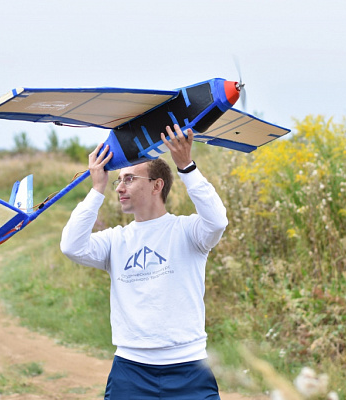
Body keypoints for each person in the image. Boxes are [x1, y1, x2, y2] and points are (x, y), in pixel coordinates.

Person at [60, 124, 228, 399]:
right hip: (130, 370)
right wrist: (97, 189)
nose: (120, 187)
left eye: (129, 179)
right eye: (119, 180)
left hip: (189, 368)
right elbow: (71, 246)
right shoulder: (115, 240)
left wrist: (186, 166)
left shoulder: (187, 231)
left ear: (156, 185)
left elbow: (217, 221)